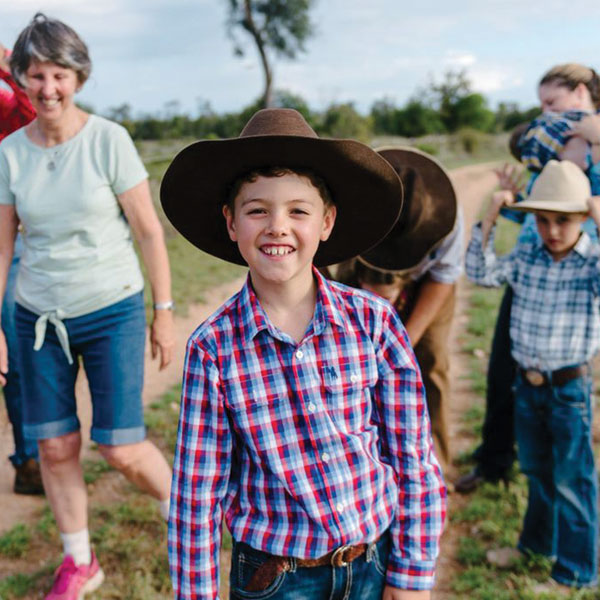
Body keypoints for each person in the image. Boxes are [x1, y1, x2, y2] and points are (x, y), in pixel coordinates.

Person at [162, 108, 446, 600]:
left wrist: (413, 575)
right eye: (257, 210)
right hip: (274, 576)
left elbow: (413, 457)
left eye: (298, 210)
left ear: (327, 222)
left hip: (371, 563)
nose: (277, 226)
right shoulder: (212, 348)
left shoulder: (374, 323)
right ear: (231, 223)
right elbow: (196, 494)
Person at [0, 14, 175, 600]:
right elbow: (2, 248)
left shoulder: (108, 140)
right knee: (53, 445)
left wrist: (165, 311)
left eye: (59, 75)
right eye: (35, 75)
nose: (47, 88)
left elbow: (148, 232)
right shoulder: (9, 153)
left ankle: (189, 517)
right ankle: (80, 562)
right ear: (19, 78)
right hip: (36, 315)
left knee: (120, 447)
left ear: (77, 76)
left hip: (110, 307)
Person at [455, 62, 600, 493]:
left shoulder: (586, 138)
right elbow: (540, 217)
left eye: (551, 101)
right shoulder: (553, 142)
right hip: (530, 271)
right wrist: (516, 198)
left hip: (581, 275)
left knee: (568, 379)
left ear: (580, 91)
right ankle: (496, 460)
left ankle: (563, 472)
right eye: (540, 104)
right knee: (504, 369)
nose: (543, 113)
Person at [465, 159, 599, 593]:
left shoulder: (591, 263)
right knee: (538, 471)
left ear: (583, 218)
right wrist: (489, 217)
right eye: (542, 219)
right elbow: (481, 273)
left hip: (569, 388)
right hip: (528, 384)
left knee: (573, 480)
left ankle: (575, 571)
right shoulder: (528, 254)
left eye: (564, 220)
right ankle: (536, 545)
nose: (552, 230)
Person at [334, 147, 463, 473]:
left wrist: (405, 343)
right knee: (349, 365)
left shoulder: (447, 220)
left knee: (429, 363)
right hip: (357, 273)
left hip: (427, 283)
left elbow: (444, 276)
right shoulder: (345, 202)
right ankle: (367, 467)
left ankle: (434, 471)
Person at [0, 42, 42, 494]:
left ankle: (29, 459)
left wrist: (7, 64)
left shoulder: (7, 97)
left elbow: (37, 113)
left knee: (12, 355)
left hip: (6, 245)